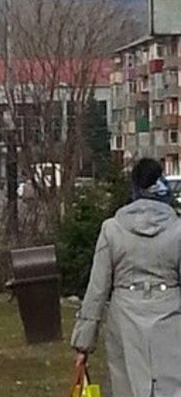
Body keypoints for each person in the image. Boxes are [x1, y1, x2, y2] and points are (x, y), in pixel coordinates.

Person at [71, 157, 181, 396]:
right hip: (171, 317)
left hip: (125, 320)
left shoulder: (112, 229)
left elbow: (97, 289)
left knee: (127, 387)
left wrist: (83, 343)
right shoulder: (178, 229)